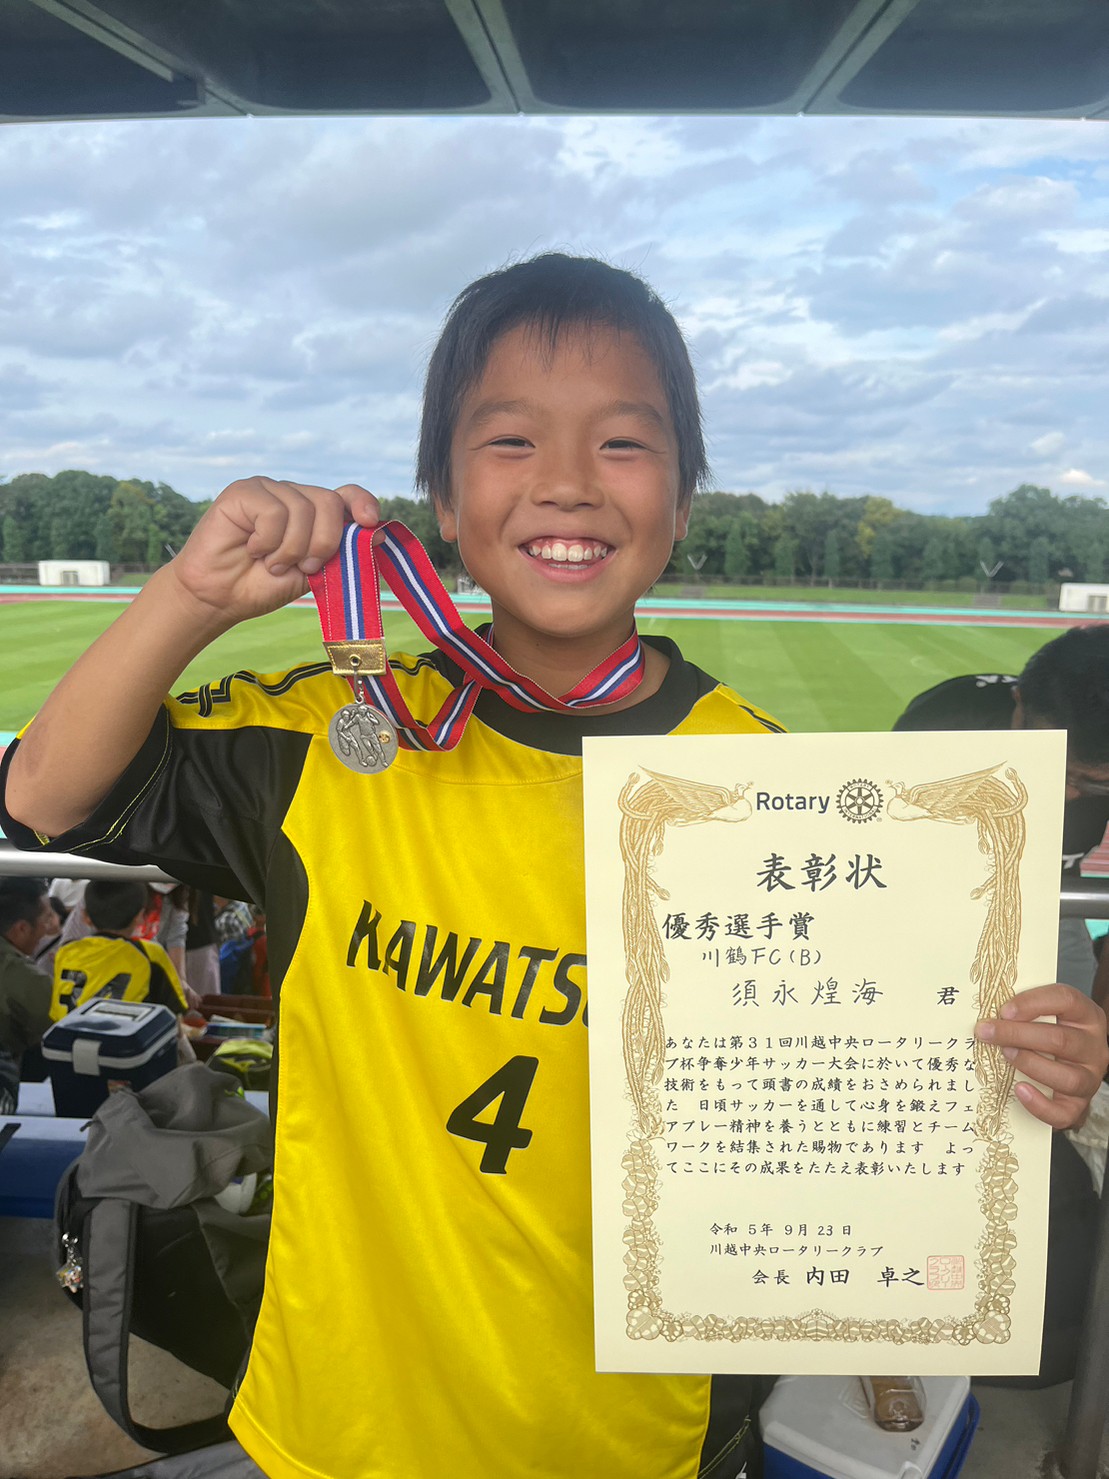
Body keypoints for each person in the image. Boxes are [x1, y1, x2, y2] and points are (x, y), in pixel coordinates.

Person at [1, 255, 1106, 1479]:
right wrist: (192, 595)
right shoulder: (329, 731)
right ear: (442, 495)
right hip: (337, 1419)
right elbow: (50, 791)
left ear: (684, 498)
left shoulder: (790, 799)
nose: (568, 483)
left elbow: (888, 1107)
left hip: (630, 1436)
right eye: (511, 440)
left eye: (624, 445)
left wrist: (1011, 1074)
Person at [894, 626, 1109, 1004]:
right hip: (936, 894)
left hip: (1054, 902)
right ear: (1019, 702)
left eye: (1091, 784)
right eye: (1049, 758)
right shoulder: (943, 724)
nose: (1063, 792)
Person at [49, 878, 190, 1022]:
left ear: (85, 917)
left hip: (63, 1038)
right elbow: (175, 1013)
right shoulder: (150, 954)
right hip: (122, 1041)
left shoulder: (66, 952)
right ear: (140, 917)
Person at [0, 877, 57, 1112]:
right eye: (46, 919)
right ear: (21, 928)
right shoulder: (27, 980)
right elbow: (62, 1035)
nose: (50, 927)